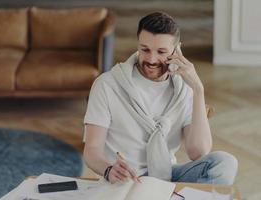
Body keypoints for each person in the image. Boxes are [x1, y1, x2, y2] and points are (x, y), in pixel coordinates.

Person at [83, 12, 238, 185]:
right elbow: (92, 151)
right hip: (126, 179)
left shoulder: (183, 89)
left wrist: (198, 89)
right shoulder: (107, 84)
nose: (151, 59)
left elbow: (198, 152)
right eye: (145, 49)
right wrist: (109, 170)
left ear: (176, 49)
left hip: (167, 175)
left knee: (225, 163)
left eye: (161, 51)